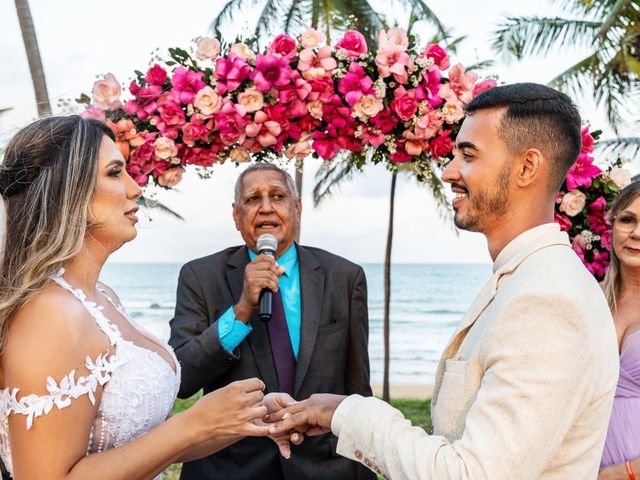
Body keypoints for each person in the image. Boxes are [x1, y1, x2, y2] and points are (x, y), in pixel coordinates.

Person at [267, 83, 620, 479]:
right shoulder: (524, 279)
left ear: (526, 167)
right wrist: (338, 414)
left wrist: (349, 413)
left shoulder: (547, 300)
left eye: (468, 155)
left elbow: (473, 474)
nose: (449, 171)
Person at [0, 116, 279, 480]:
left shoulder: (103, 298)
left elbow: (135, 444)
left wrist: (241, 418)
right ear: (70, 193)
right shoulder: (51, 314)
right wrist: (192, 425)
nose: (136, 188)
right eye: (115, 173)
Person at [168, 162, 375, 480]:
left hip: (325, 467)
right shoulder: (200, 276)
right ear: (237, 216)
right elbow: (182, 379)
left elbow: (357, 389)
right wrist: (241, 309)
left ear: (297, 208)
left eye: (277, 196)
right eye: (253, 199)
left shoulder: (344, 277)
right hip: (229, 468)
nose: (266, 208)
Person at [598, 181, 640, 480]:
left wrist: (624, 473)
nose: (636, 233)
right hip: (583, 467)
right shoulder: (588, 300)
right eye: (628, 220)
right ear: (612, 225)